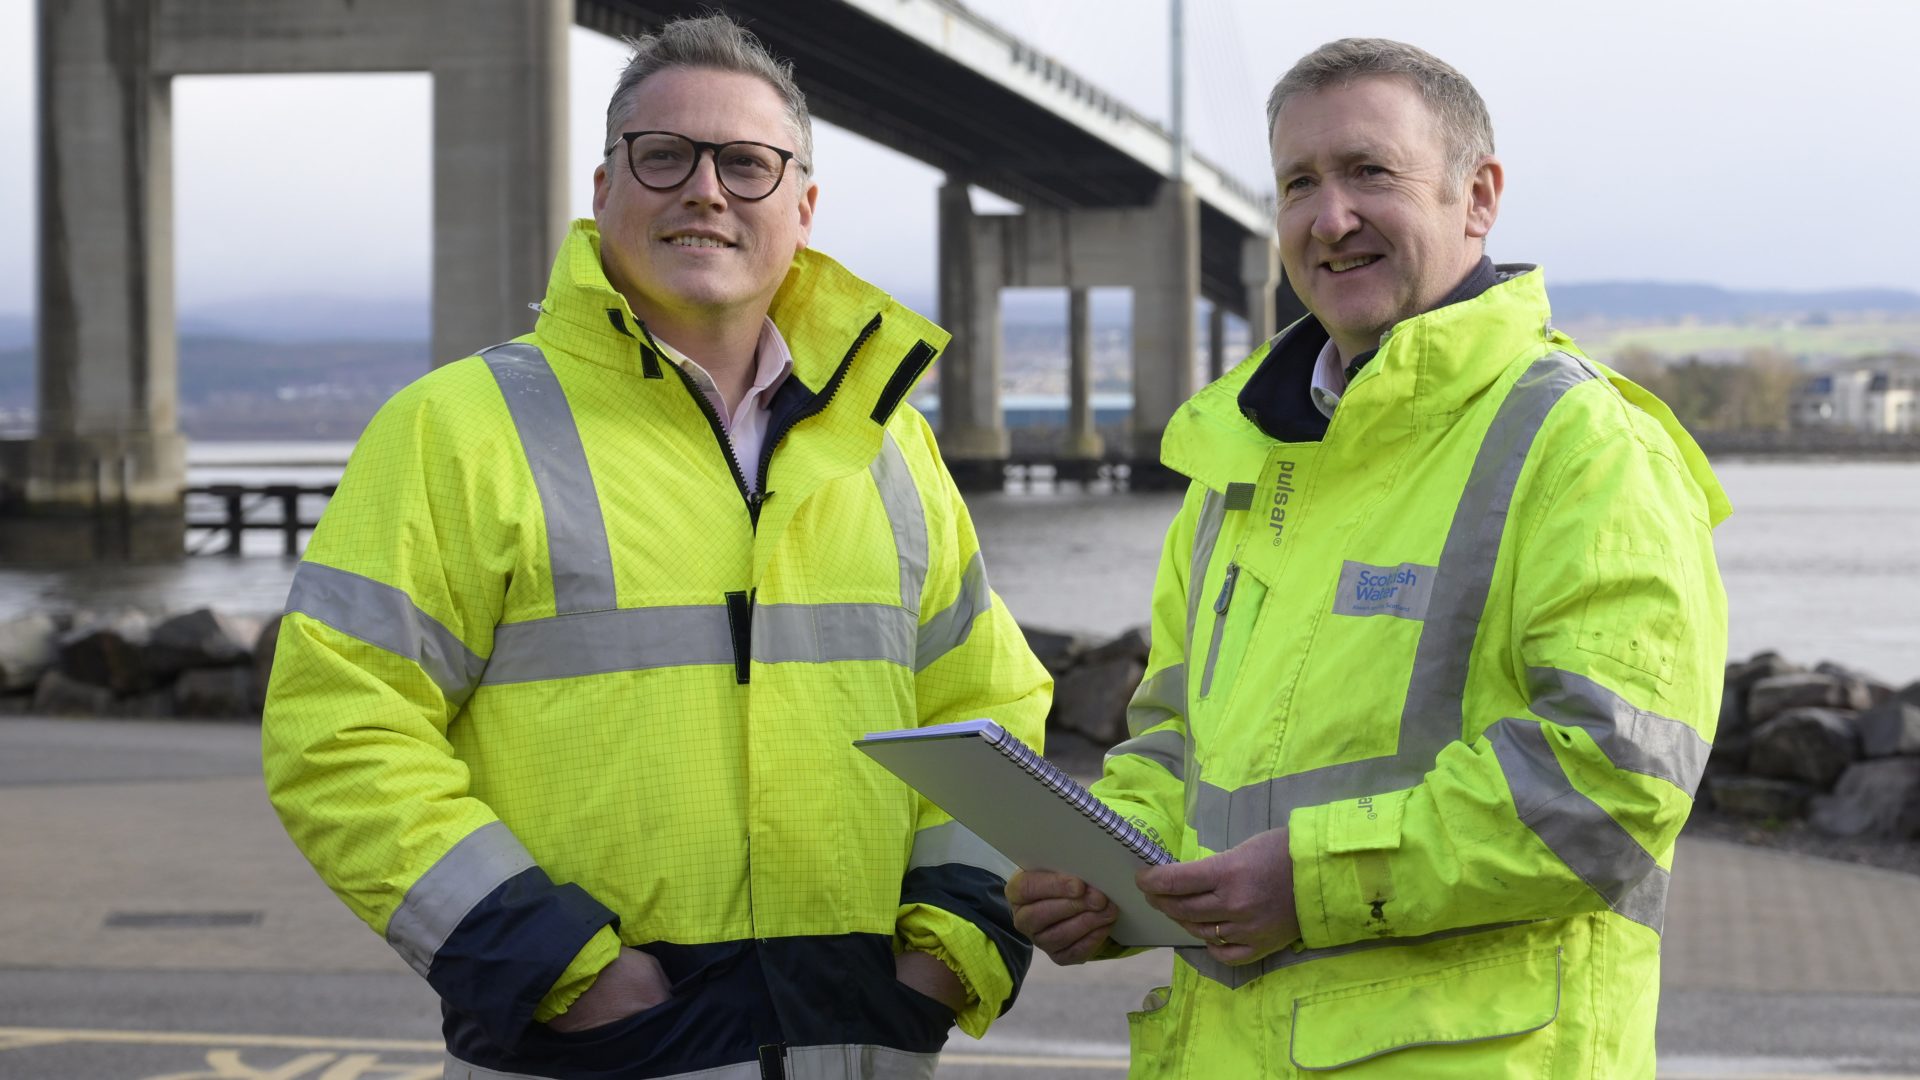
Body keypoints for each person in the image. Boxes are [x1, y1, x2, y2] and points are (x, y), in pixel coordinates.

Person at [261, 15, 1050, 1080]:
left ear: (803, 208)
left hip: (861, 1046)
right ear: (603, 189)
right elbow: (338, 729)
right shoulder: (458, 429)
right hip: (598, 1053)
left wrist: (951, 952)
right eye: (664, 155)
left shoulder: (893, 447)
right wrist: (563, 971)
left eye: (747, 164)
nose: (706, 190)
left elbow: (987, 712)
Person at [1008, 38, 1728, 1078]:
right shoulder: (1239, 465)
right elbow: (1175, 746)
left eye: (1368, 173)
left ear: (1477, 198)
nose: (1328, 217)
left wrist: (1311, 884)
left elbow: (1611, 781)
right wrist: (1104, 872)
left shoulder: (1584, 445)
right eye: (1299, 182)